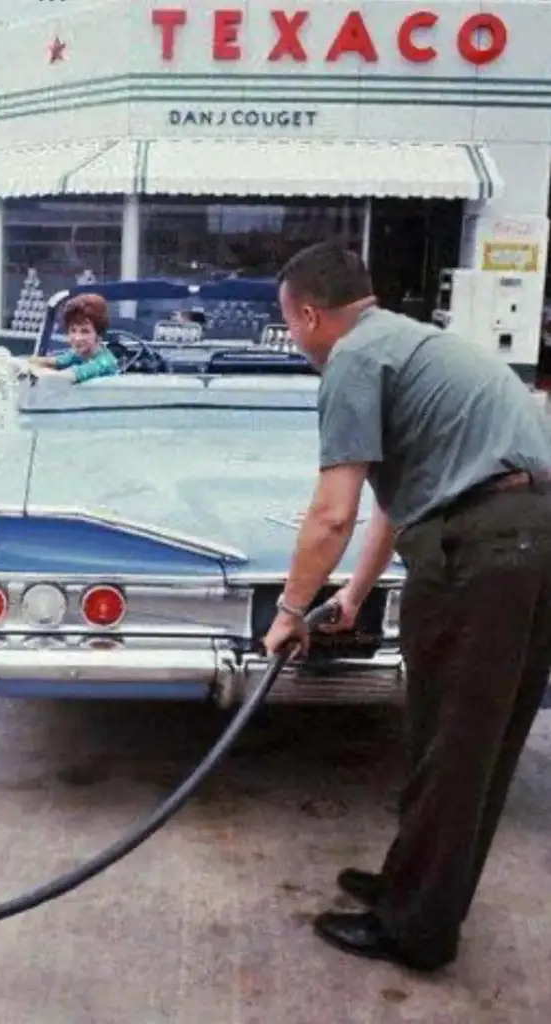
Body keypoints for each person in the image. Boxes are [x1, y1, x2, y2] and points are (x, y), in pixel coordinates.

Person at [263, 240, 551, 972]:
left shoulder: (354, 359)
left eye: (290, 326)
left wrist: (290, 612)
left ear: (307, 313)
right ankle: (413, 885)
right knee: (471, 741)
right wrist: (354, 595)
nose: (295, 342)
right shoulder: (413, 342)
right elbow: (399, 504)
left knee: (452, 742)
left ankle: (416, 929)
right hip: (528, 539)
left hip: (485, 549)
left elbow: (333, 512)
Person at [28, 292, 119, 384]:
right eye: (73, 330)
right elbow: (53, 361)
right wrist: (20, 363)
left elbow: (64, 377)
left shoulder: (104, 363)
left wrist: (27, 370)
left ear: (99, 335)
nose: (77, 338)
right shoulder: (80, 354)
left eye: (85, 331)